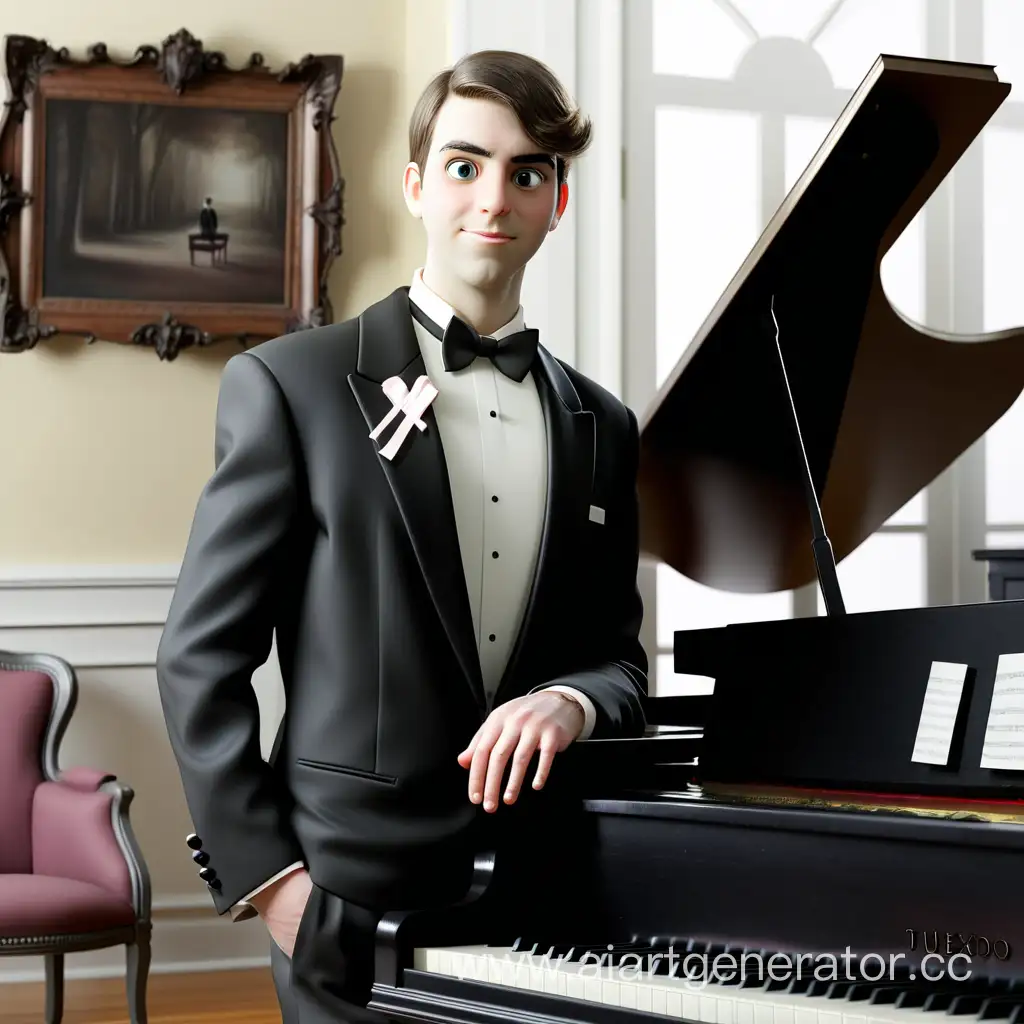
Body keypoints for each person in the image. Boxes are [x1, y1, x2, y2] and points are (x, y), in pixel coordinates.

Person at [155, 49, 647, 1023]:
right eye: (465, 165)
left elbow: (619, 662)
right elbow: (197, 658)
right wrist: (274, 887)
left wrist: (571, 701)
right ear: (418, 183)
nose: (493, 196)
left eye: (527, 172)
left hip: (547, 898)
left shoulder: (605, 427)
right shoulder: (291, 387)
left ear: (558, 201)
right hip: (348, 903)